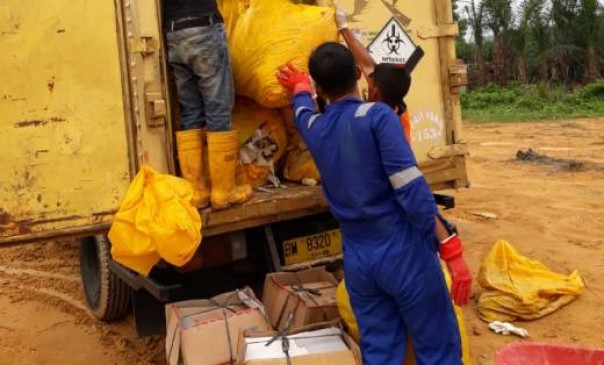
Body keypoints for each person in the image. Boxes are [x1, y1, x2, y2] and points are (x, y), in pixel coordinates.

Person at [277, 43, 471, 365]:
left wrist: (299, 88)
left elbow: (302, 111)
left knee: (380, 353)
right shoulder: (379, 117)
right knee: (438, 350)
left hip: (359, 263)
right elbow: (410, 189)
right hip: (404, 254)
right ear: (357, 74)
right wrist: (449, 245)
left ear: (320, 88)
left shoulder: (316, 128)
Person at [164, 0, 252, 210]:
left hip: (174, 32)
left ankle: (198, 191)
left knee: (191, 111)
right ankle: (223, 191)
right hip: (203, 27)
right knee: (218, 108)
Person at [335, 4, 412, 142]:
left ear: (375, 91)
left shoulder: (387, 127)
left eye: (370, 78)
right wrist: (343, 27)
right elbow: (367, 64)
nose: (367, 74)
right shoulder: (392, 95)